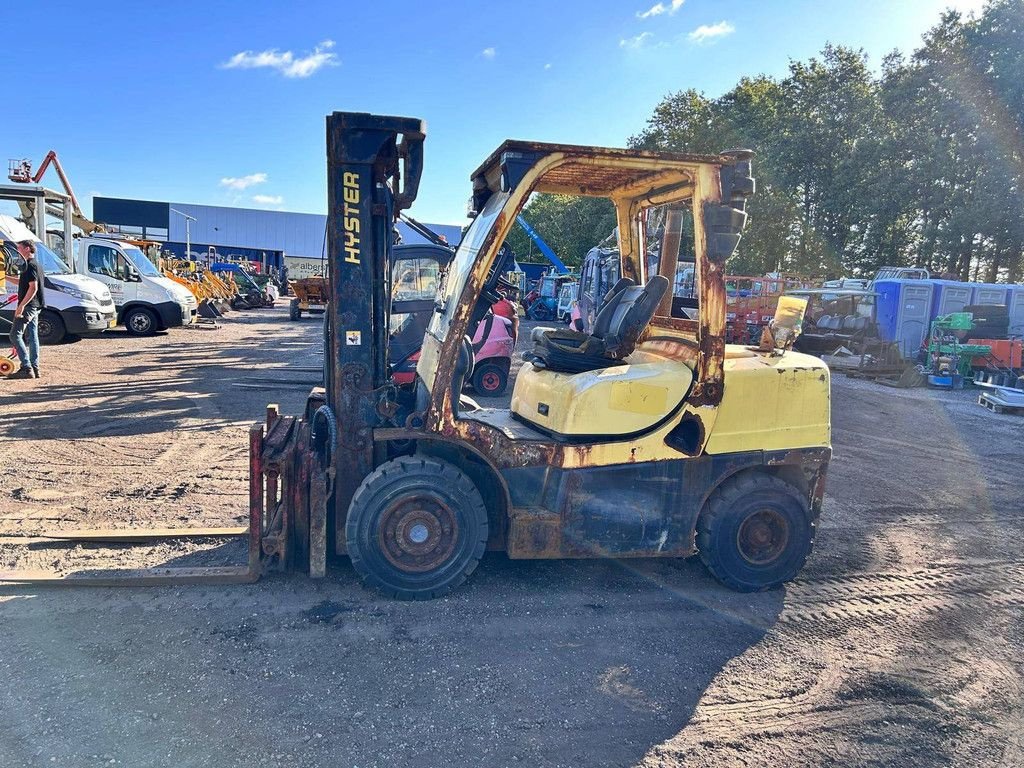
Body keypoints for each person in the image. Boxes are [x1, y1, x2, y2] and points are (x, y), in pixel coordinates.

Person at [10, 239, 45, 379]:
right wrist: (5, 277)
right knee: (32, 336)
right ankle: (34, 368)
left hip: (29, 306)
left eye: (19, 248)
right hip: (36, 306)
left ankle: (26, 367)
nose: (17, 251)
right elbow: (23, 282)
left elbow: (33, 287)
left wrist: (21, 305)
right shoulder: (34, 265)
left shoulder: (29, 265)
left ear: (27, 249)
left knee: (15, 335)